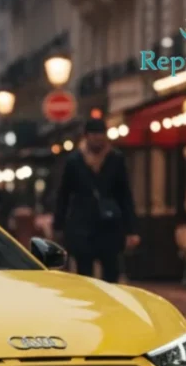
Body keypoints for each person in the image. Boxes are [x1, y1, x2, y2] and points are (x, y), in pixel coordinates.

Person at [53, 118, 140, 283]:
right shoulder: (74, 161)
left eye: (101, 134)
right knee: (84, 275)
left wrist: (131, 230)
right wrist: (59, 226)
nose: (98, 138)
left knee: (111, 274)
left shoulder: (115, 159)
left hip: (110, 225)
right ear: (86, 136)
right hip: (82, 226)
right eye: (94, 134)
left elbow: (125, 195)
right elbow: (63, 195)